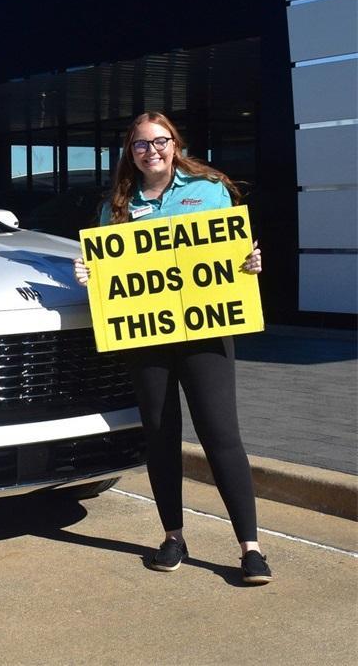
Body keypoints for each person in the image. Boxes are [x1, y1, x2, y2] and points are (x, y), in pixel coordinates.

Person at [73, 111, 272, 585]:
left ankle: (251, 547)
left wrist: (250, 262)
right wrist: (90, 275)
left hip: (206, 332)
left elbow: (232, 252)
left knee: (221, 434)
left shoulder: (209, 191)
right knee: (160, 435)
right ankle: (173, 536)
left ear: (174, 143)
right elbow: (111, 274)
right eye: (141, 145)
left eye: (160, 141)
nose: (152, 151)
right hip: (148, 338)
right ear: (131, 153)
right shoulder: (116, 207)